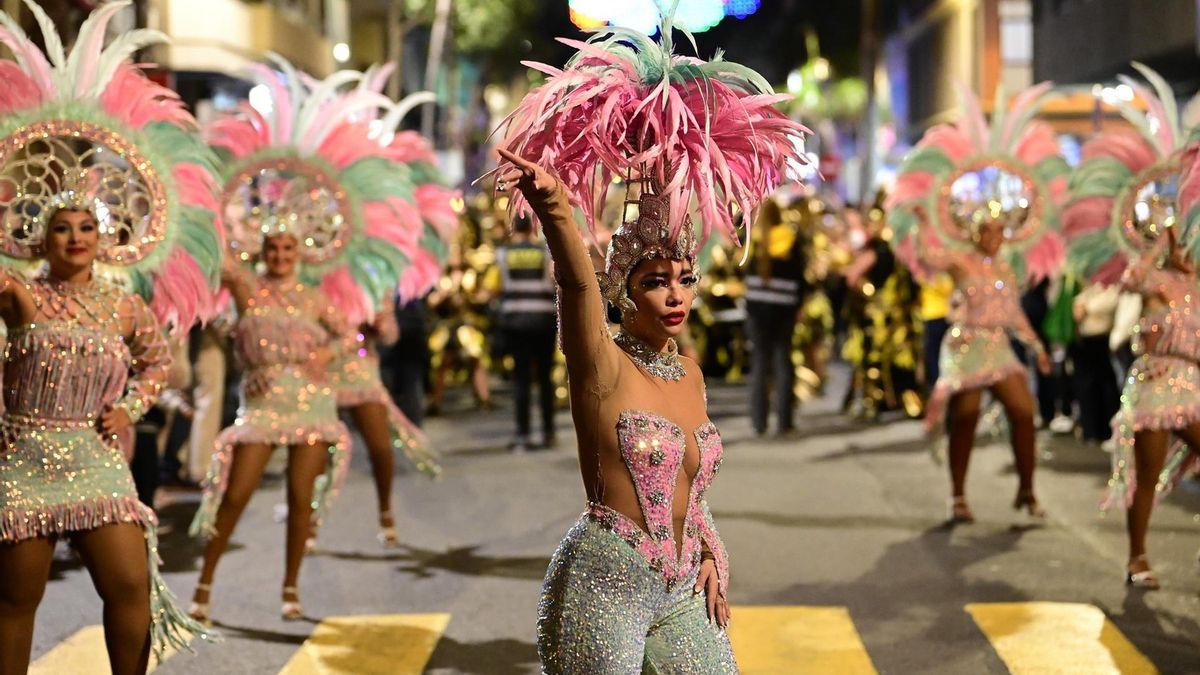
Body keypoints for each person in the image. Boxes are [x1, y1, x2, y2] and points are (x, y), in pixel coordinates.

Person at [493, 12, 806, 670]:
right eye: (656, 280)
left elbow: (694, 488)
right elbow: (576, 287)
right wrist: (556, 212)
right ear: (624, 290)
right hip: (602, 587)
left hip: (684, 586)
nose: (675, 295)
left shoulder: (688, 373)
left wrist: (713, 549)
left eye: (685, 279)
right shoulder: (599, 365)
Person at [0, 3, 223, 670]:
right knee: (15, 600)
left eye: (86, 228)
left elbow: (159, 366)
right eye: (62, 227)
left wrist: (128, 406)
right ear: (42, 234)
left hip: (96, 456)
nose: (74, 238)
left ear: (106, 238)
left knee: (129, 586)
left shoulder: (124, 305)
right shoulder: (20, 293)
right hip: (24, 457)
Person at [486, 216, 559, 450]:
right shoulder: (545, 252)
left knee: (521, 379)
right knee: (545, 378)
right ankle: (548, 432)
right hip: (544, 319)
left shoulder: (503, 254)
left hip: (516, 321)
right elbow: (554, 281)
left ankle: (522, 433)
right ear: (531, 229)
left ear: (513, 229)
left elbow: (492, 288)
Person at [744, 199, 807, 436]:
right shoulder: (791, 240)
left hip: (758, 310)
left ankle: (759, 421)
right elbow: (801, 278)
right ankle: (784, 420)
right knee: (783, 362)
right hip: (785, 309)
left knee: (760, 364)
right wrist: (799, 304)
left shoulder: (755, 239)